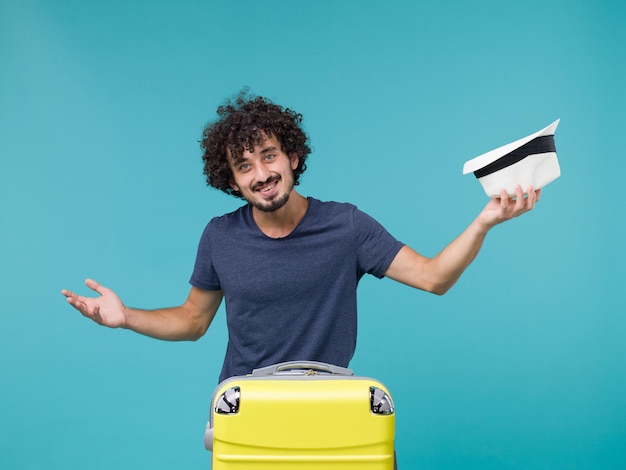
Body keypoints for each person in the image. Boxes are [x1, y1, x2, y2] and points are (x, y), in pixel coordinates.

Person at [61, 91, 541, 383]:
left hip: (329, 404)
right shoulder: (219, 236)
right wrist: (126, 318)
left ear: (291, 156)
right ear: (231, 181)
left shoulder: (346, 226)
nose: (261, 174)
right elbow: (191, 320)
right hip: (247, 406)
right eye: (244, 166)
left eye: (269, 156)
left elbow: (435, 278)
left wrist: (484, 222)